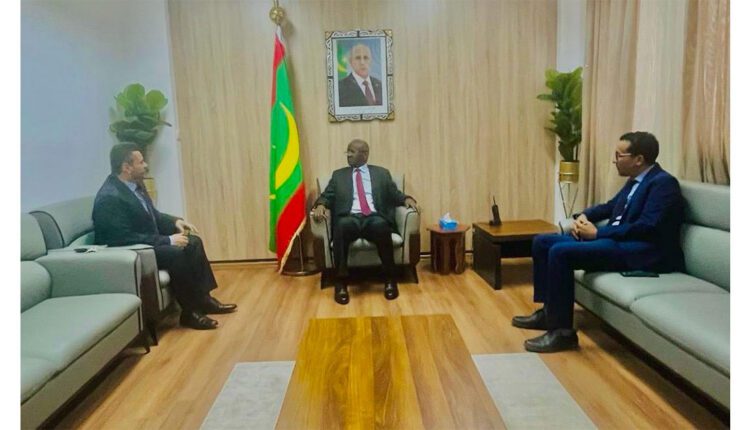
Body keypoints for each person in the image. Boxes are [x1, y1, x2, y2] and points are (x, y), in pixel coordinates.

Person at [512, 131, 685, 352]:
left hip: (642, 251)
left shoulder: (664, 184)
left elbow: (646, 227)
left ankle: (562, 333)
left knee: (561, 252)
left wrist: (598, 234)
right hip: (616, 242)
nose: (614, 160)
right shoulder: (635, 181)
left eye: (619, 155)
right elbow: (610, 207)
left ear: (639, 159)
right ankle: (549, 313)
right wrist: (582, 217)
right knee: (542, 242)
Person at [93, 143, 237, 330]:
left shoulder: (135, 185)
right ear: (126, 167)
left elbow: (153, 215)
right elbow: (121, 238)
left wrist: (175, 222)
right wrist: (167, 240)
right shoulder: (110, 197)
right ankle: (190, 313)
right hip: (131, 252)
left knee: (193, 242)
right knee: (176, 252)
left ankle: (204, 299)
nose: (145, 165)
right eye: (141, 162)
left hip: (146, 242)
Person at [312, 139, 419, 305]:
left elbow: (394, 193)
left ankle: (390, 279)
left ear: (364, 154)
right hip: (349, 217)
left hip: (373, 217)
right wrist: (320, 205)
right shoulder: (339, 175)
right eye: (347, 151)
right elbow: (327, 195)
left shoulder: (381, 173)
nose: (348, 154)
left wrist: (406, 199)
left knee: (381, 226)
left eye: (352, 151)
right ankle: (340, 282)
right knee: (341, 227)